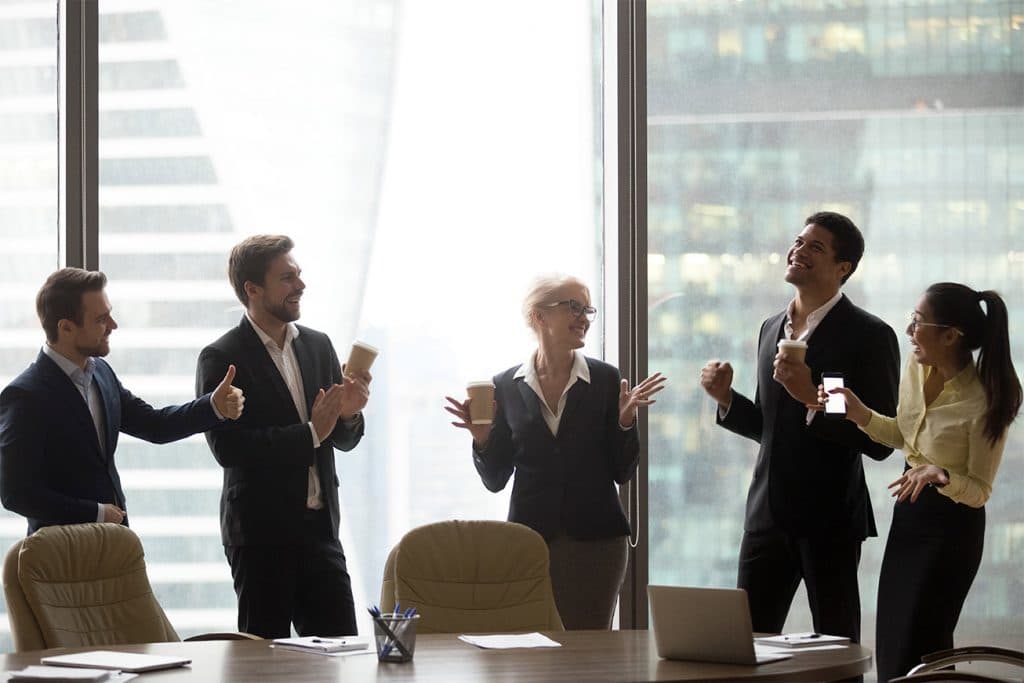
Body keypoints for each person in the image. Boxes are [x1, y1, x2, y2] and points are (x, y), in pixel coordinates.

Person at [699, 211, 900, 645]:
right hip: (766, 516)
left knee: (836, 648)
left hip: (829, 519)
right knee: (744, 646)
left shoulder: (869, 335)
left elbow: (882, 442)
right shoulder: (771, 328)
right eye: (798, 241)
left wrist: (812, 394)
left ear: (842, 267)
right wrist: (726, 399)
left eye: (816, 247)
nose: (798, 251)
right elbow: (771, 428)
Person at [815, 283, 1021, 682]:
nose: (910, 330)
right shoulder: (915, 369)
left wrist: (939, 474)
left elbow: (979, 491)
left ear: (950, 335)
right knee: (893, 639)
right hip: (910, 517)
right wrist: (858, 413)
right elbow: (903, 436)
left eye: (918, 321)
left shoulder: (985, 399)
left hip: (951, 529)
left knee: (924, 642)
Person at [445, 274, 666, 629]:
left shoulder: (607, 380)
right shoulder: (504, 386)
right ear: (539, 316)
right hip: (528, 541)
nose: (584, 318)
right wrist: (483, 439)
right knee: (532, 649)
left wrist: (625, 423)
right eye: (574, 307)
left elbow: (622, 471)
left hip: (596, 542)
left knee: (588, 649)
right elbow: (496, 479)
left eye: (588, 310)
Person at [196, 235, 371, 639]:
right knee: (263, 664)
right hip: (260, 538)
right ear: (252, 290)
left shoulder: (318, 345)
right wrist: (309, 433)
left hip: (321, 532)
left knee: (339, 657)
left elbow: (341, 439)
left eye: (299, 275)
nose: (300, 286)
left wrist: (351, 413)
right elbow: (229, 449)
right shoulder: (221, 357)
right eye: (287, 278)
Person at [0, 268, 244, 535]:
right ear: (66, 327)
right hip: (61, 556)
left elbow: (155, 425)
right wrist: (96, 512)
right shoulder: (25, 396)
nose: (113, 325)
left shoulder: (102, 373)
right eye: (101, 319)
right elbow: (16, 494)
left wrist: (213, 407)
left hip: (114, 543)